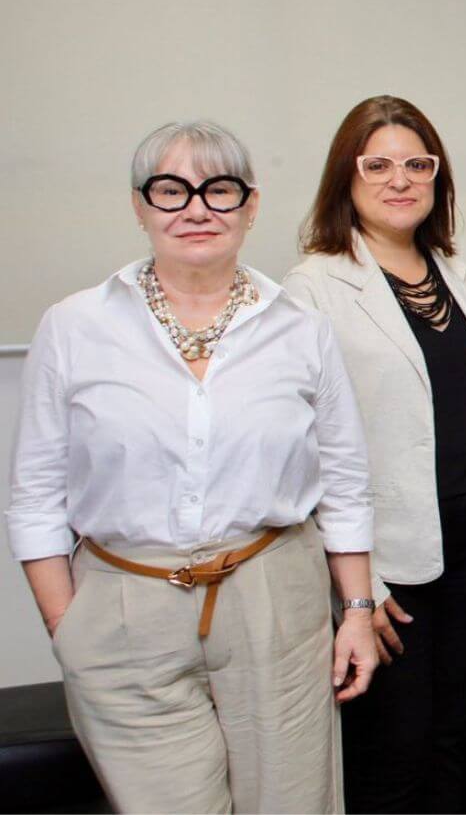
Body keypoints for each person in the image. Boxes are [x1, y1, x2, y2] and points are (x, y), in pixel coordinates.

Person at [5, 120, 379, 813]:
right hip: (124, 600)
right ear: (140, 206)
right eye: (171, 191)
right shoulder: (76, 325)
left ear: (251, 204)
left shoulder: (300, 329)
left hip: (275, 598)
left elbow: (346, 482)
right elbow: (34, 496)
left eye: (220, 189)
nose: (197, 208)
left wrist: (356, 610)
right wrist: (69, 623)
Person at [283, 95, 466, 813]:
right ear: (344, 179)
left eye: (418, 163)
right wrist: (360, 584)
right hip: (389, 563)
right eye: (377, 164)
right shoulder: (313, 285)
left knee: (460, 739)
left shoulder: (458, 272)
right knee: (395, 750)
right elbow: (305, 448)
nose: (400, 178)